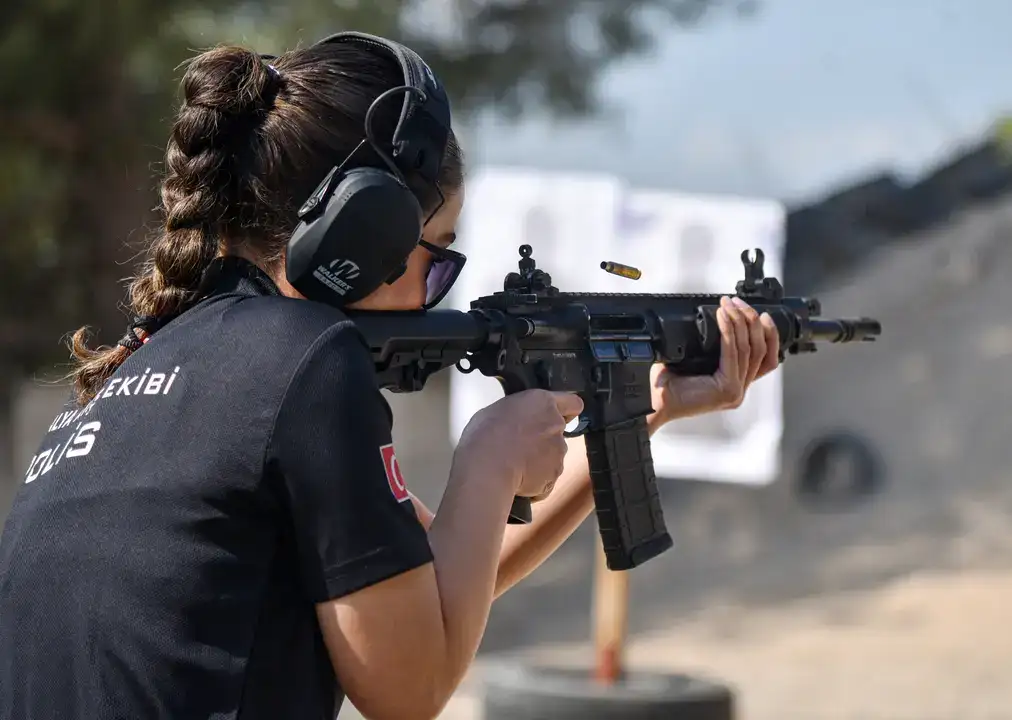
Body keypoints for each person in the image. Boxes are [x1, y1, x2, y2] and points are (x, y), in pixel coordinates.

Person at [0, 34, 780, 720]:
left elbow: (436, 585)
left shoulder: (139, 376)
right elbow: (409, 688)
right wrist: (491, 456)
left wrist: (640, 411)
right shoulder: (304, 360)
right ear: (359, 230)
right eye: (436, 253)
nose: (435, 287)